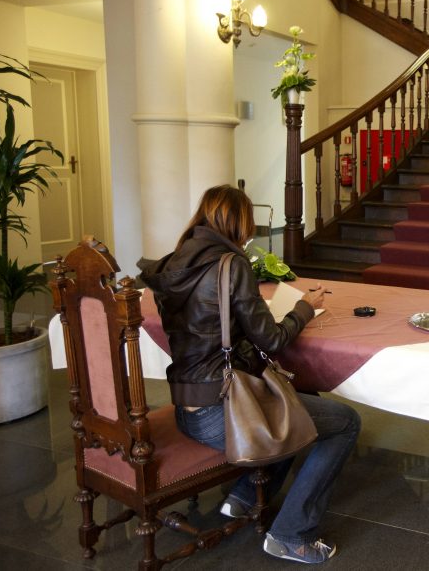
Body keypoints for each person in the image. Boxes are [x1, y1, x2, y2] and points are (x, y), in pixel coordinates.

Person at [139, 184, 360, 564]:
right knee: (345, 422)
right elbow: (272, 340)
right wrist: (305, 308)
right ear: (238, 222)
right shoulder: (231, 264)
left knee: (290, 405)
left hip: (186, 409)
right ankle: (291, 534)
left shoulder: (174, 263)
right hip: (223, 411)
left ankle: (242, 497)